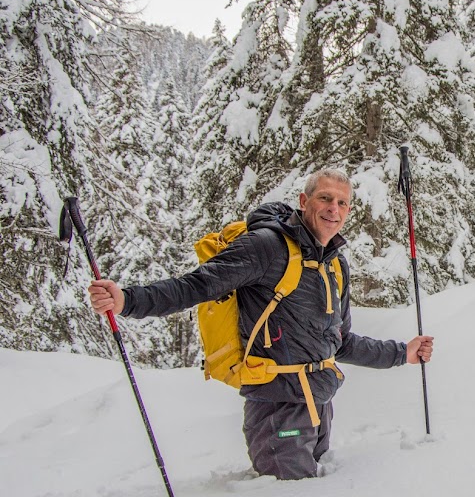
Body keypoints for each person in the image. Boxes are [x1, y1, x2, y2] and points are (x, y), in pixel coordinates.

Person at [88, 169, 433, 480]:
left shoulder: (335, 265)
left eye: (342, 202)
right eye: (325, 198)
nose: (334, 209)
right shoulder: (267, 247)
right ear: (304, 201)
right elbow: (198, 285)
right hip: (277, 410)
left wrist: (402, 353)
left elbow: (340, 342)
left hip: (320, 405)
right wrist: (128, 300)